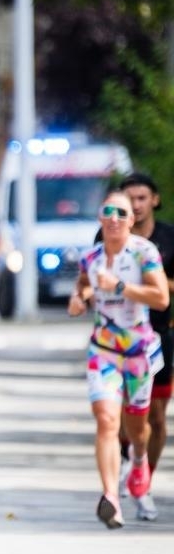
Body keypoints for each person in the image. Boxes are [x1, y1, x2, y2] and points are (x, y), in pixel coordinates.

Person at [68, 190, 168, 528]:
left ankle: (139, 461)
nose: (114, 218)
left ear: (131, 220)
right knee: (107, 421)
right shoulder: (91, 258)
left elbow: (161, 298)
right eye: (108, 211)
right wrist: (79, 298)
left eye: (121, 213)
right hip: (104, 351)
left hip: (138, 353)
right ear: (99, 217)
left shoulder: (144, 253)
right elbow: (83, 284)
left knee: (137, 427)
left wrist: (121, 287)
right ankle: (111, 496)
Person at [95, 173, 174, 521]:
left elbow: (161, 292)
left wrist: (137, 283)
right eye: (129, 200)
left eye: (142, 199)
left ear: (154, 200)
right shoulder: (105, 238)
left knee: (155, 417)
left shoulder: (167, 238)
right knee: (117, 414)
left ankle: (144, 480)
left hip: (158, 335)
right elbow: (92, 281)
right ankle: (127, 465)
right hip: (115, 343)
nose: (135, 207)